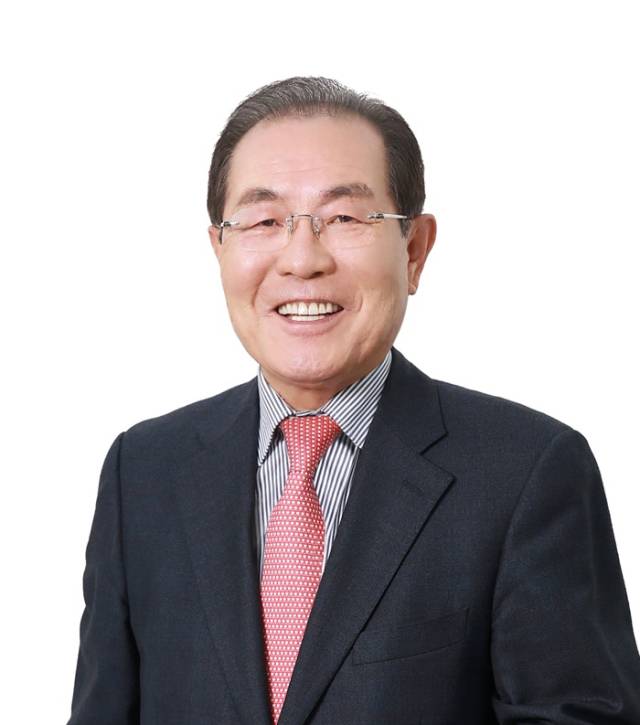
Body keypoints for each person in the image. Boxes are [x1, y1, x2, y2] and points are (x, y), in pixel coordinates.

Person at [67, 76, 640, 724]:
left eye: (344, 218)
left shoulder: (528, 472)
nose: (302, 259)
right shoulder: (143, 471)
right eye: (264, 220)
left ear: (415, 250)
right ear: (219, 248)